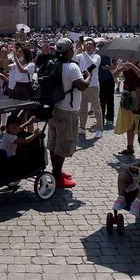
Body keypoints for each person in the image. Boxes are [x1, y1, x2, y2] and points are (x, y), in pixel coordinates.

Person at [47, 39, 89, 189]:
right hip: (68, 110)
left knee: (54, 142)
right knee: (64, 143)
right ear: (69, 51)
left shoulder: (53, 63)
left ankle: (55, 172)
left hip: (54, 107)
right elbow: (82, 86)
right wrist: (88, 75)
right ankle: (57, 177)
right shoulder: (72, 67)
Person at [113, 60, 140, 157]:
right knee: (129, 122)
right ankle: (130, 146)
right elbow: (114, 75)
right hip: (126, 94)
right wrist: (120, 69)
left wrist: (133, 67)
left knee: (139, 122)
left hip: (138, 94)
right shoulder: (124, 62)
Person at [75, 38, 102, 138]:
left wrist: (83, 52)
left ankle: (99, 129)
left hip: (93, 85)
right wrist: (75, 47)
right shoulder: (81, 55)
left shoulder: (97, 56)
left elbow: (92, 64)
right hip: (83, 85)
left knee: (96, 108)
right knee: (83, 109)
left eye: (90, 44)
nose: (88, 46)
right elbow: (73, 57)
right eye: (87, 44)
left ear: (94, 47)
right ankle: (82, 127)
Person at [97, 41, 116, 128]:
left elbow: (115, 65)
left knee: (110, 100)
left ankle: (110, 119)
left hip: (109, 79)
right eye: (99, 46)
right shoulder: (97, 56)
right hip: (100, 80)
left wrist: (107, 67)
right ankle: (101, 118)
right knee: (101, 100)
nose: (100, 47)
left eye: (101, 46)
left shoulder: (111, 55)